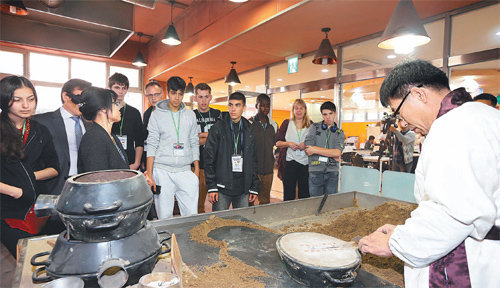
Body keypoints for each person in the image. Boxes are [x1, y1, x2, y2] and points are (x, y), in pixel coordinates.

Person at [358, 59, 500, 288]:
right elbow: (455, 202)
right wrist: (407, 231)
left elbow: (453, 215)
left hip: (472, 262)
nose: (403, 123)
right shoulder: (480, 116)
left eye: (399, 113)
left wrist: (396, 243)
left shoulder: (452, 127)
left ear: (418, 95)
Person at [0, 76, 59, 257]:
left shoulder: (40, 130)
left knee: (45, 258)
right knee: (26, 258)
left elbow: (54, 168)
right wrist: (14, 190)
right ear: (4, 100)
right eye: (17, 100)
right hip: (7, 208)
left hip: (37, 208)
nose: (26, 105)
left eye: (30, 99)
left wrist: (29, 178)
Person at [146, 76, 199, 219]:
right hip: (162, 171)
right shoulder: (156, 115)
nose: (177, 97)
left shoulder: (190, 115)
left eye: (180, 94)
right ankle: (166, 242)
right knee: (164, 217)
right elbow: (151, 144)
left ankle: (188, 241)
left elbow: (194, 141)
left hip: (185, 170)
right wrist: (150, 174)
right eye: (173, 93)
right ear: (167, 92)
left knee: (191, 216)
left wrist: (197, 169)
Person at [33, 79, 91, 195]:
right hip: (53, 187)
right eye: (80, 96)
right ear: (66, 96)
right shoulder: (42, 122)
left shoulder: (91, 125)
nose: (83, 103)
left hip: (86, 186)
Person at [204, 92, 260, 211]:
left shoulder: (249, 129)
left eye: (237, 105)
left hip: (243, 187)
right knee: (219, 224)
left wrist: (254, 186)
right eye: (231, 105)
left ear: (244, 108)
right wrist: (212, 186)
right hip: (222, 186)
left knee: (242, 223)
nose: (233, 109)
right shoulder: (218, 127)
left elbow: (253, 160)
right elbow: (209, 158)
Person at [77, 87, 129, 173]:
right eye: (115, 104)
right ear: (103, 108)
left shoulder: (112, 137)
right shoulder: (93, 138)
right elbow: (97, 179)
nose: (118, 108)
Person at [305, 101, 345, 196]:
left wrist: (315, 150)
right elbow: (308, 150)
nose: (328, 117)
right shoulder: (314, 128)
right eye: (325, 114)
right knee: (315, 203)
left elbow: (337, 153)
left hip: (332, 172)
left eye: (330, 113)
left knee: (330, 204)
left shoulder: (340, 132)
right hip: (315, 171)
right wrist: (330, 153)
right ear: (322, 115)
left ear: (335, 113)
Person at [276, 99, 312, 201]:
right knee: (288, 193)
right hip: (289, 163)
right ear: (293, 110)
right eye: (296, 108)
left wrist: (305, 144)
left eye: (301, 108)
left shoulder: (311, 124)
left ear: (305, 110)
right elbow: (278, 143)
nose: (299, 111)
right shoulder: (287, 123)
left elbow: (315, 143)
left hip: (305, 164)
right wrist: (288, 144)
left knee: (304, 193)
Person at [193, 83, 221, 213]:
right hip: (196, 165)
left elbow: (220, 138)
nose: (203, 100)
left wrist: (201, 136)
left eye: (206, 97)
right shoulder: (191, 115)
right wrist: (211, 136)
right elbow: (191, 141)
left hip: (216, 165)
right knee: (197, 203)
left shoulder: (218, 114)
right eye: (200, 97)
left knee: (218, 202)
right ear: (195, 98)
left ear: (211, 97)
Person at [109, 73, 144, 170]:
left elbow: (139, 141)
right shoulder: (104, 111)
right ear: (110, 88)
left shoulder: (134, 113)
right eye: (117, 87)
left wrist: (136, 163)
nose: (120, 91)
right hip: (110, 161)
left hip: (130, 162)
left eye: (124, 88)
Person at [249, 94, 278, 205]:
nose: (266, 108)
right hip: (253, 171)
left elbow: (277, 144)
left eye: (268, 106)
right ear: (257, 105)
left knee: (265, 201)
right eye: (262, 105)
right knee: (249, 201)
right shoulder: (249, 124)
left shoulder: (273, 125)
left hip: (268, 171)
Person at [142, 80, 165, 170]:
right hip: (150, 158)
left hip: (165, 160)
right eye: (150, 95)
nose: (153, 98)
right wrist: (144, 159)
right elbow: (145, 137)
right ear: (146, 96)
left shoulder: (169, 112)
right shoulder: (147, 113)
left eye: (156, 94)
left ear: (162, 94)